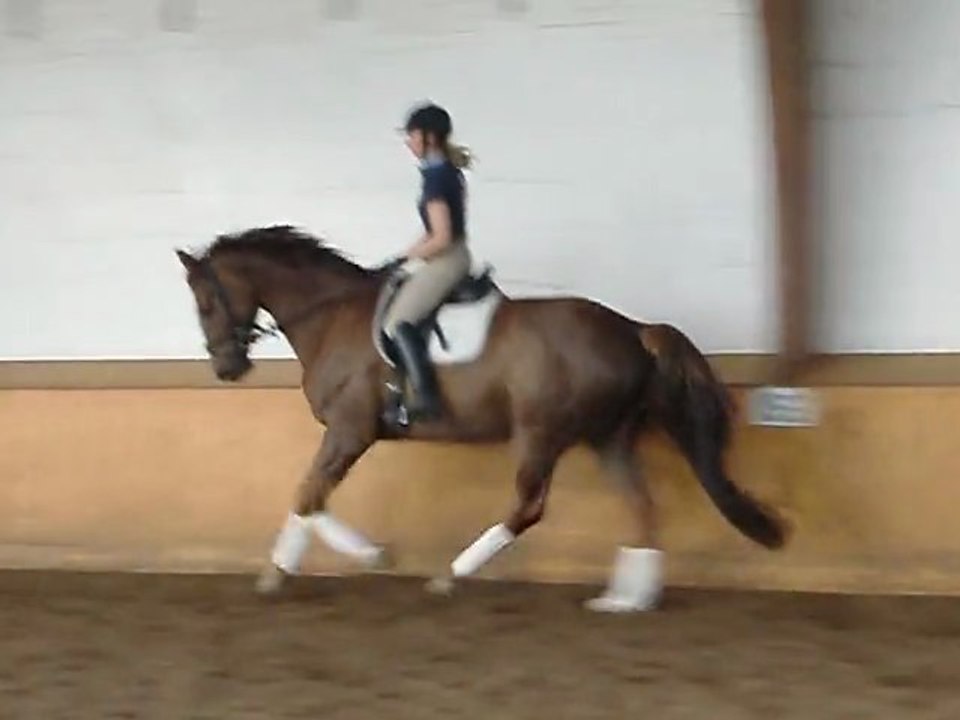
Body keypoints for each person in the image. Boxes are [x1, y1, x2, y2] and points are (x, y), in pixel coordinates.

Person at [383, 102, 474, 421]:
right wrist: (400, 258)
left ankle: (426, 397)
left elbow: (441, 237)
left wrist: (404, 259)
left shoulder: (436, 178)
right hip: (448, 254)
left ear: (429, 137)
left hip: (447, 259)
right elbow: (430, 235)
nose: (408, 142)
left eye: (412, 135)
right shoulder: (443, 170)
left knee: (397, 323)